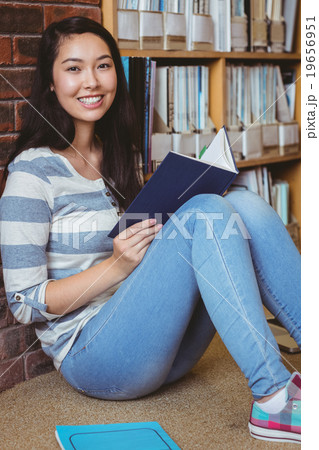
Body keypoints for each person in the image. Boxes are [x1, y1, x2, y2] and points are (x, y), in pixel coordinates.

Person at [0, 16, 301, 444]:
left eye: (103, 66)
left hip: (159, 339)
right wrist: (118, 266)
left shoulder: (121, 153)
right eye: (73, 68)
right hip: (94, 357)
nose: (92, 81)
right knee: (204, 215)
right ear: (49, 81)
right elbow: (24, 304)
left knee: (242, 203)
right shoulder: (31, 174)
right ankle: (273, 401)